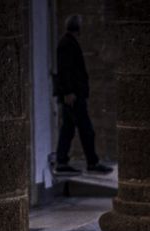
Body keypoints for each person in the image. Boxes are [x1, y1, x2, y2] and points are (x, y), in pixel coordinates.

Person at [53, 16, 111, 175]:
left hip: (73, 94)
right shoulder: (67, 44)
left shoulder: (68, 43)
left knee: (68, 129)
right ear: (78, 28)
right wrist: (68, 92)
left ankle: (62, 161)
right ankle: (91, 162)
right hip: (73, 96)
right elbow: (65, 70)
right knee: (86, 130)